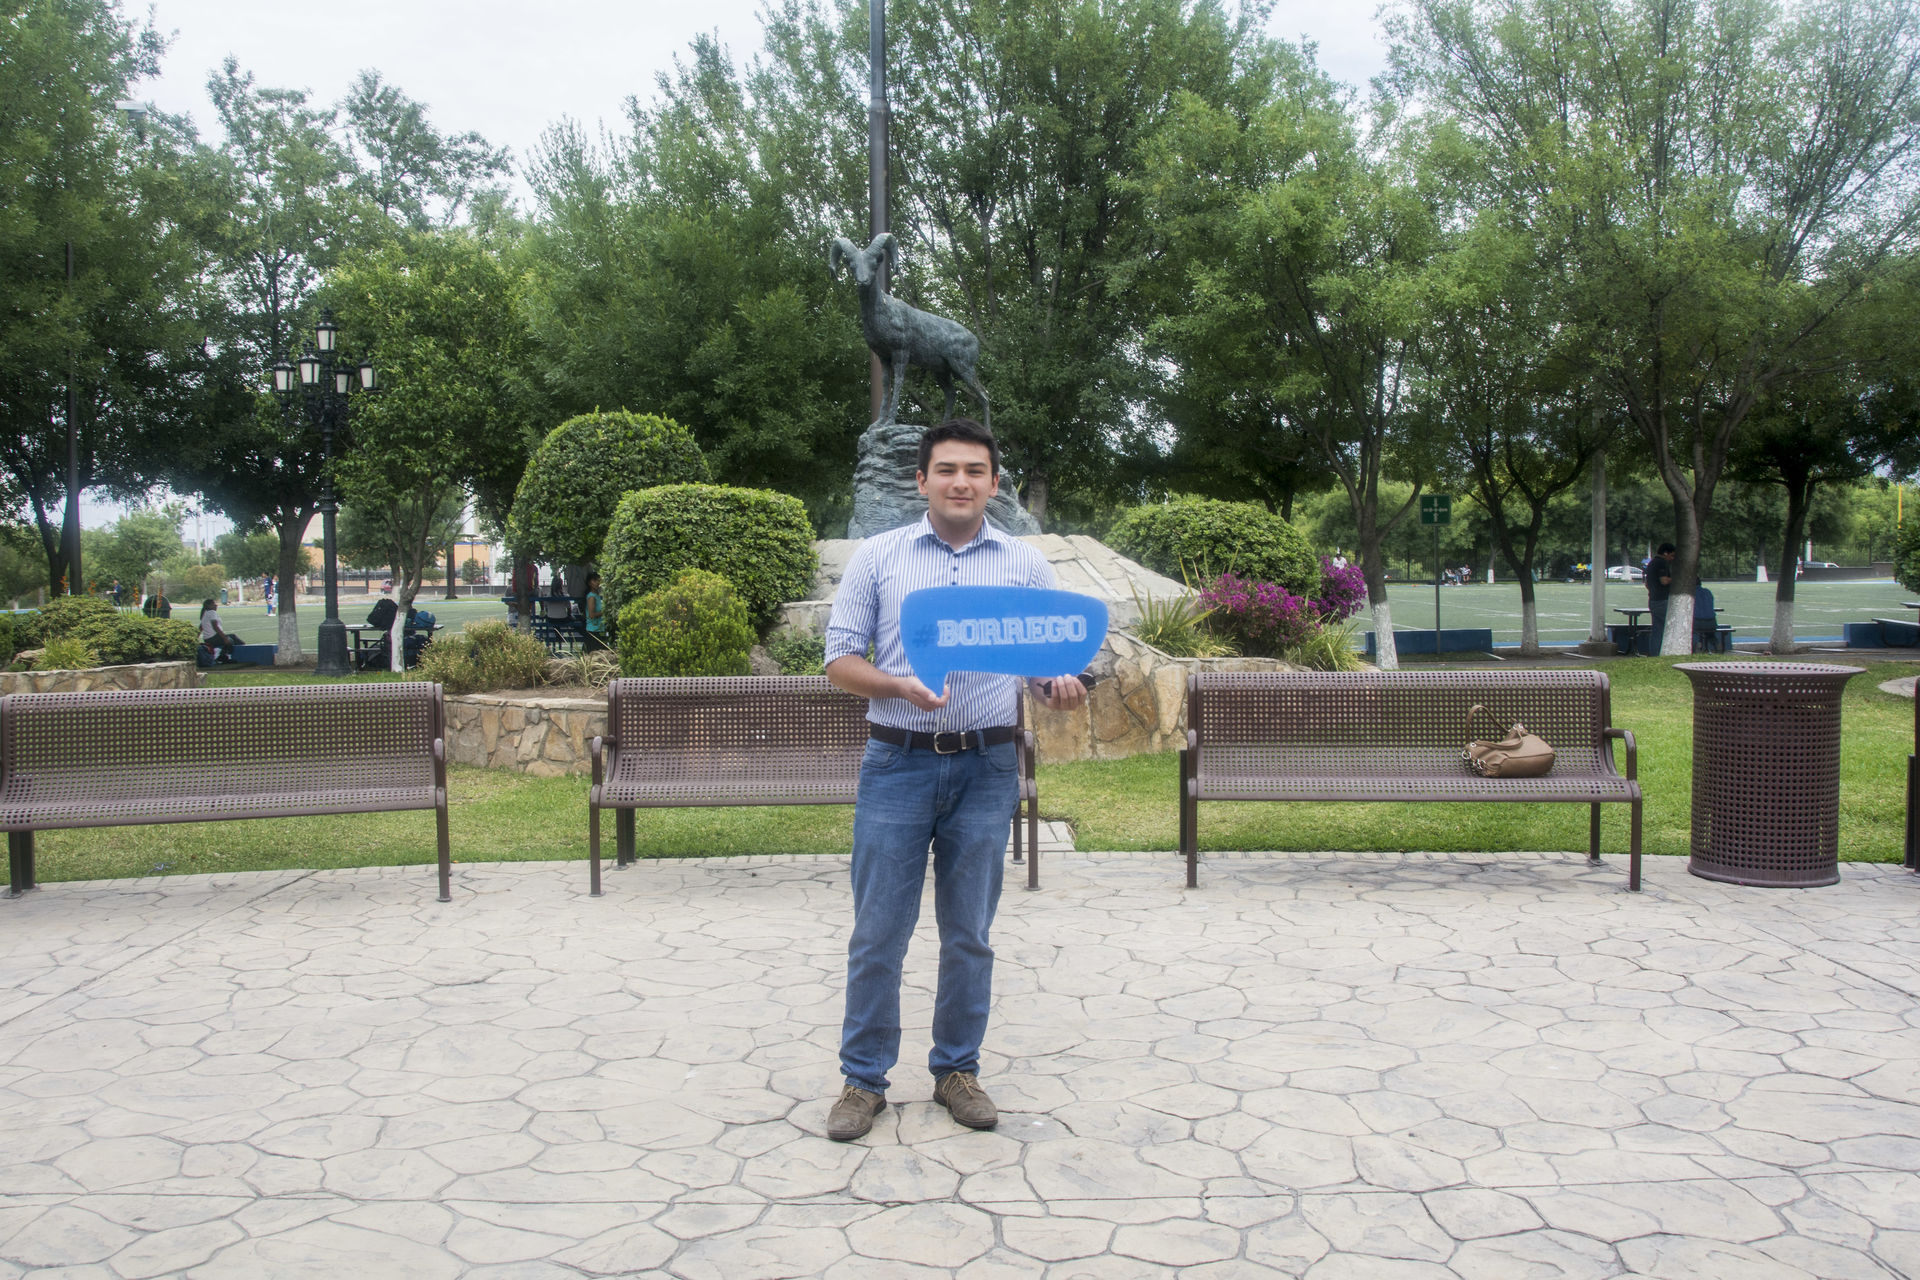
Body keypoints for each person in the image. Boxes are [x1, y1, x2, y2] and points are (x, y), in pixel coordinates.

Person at [820, 417, 1088, 1143]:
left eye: (975, 470)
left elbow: (1045, 659)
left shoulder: (1026, 567)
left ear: (994, 484)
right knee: (879, 931)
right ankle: (862, 1080)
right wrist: (899, 686)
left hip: (987, 763)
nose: (961, 482)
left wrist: (1058, 685)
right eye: (946, 470)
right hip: (897, 761)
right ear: (922, 480)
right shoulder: (879, 558)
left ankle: (957, 1071)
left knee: (969, 931)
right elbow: (839, 661)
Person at [1643, 542, 1676, 651]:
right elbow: (1664, 581)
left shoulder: (1652, 563)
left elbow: (1647, 584)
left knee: (1657, 629)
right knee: (1668, 627)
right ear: (1665, 553)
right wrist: (1678, 578)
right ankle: (1665, 651)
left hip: (1653, 600)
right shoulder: (1662, 563)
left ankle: (1655, 652)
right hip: (1662, 600)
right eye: (1672, 555)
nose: (1672, 558)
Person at [198, 599, 238, 663]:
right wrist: (225, 638)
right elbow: (215, 627)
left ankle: (223, 655)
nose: (216, 605)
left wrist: (196, 638)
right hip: (212, 638)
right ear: (209, 606)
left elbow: (200, 627)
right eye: (214, 604)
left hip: (207, 639)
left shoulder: (205, 613)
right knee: (230, 641)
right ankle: (222, 657)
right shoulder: (212, 612)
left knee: (233, 636)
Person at [582, 572, 609, 652]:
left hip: (599, 629)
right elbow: (591, 615)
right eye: (594, 580)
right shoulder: (591, 597)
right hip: (593, 631)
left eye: (598, 580)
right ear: (589, 583)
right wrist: (605, 612)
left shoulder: (596, 595)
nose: (597, 582)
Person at [1693, 584, 1720, 653]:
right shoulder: (1707, 592)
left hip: (1697, 622)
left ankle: (1697, 645)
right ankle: (1716, 645)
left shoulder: (1691, 593)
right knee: (1710, 634)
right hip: (1711, 623)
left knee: (1692, 630)